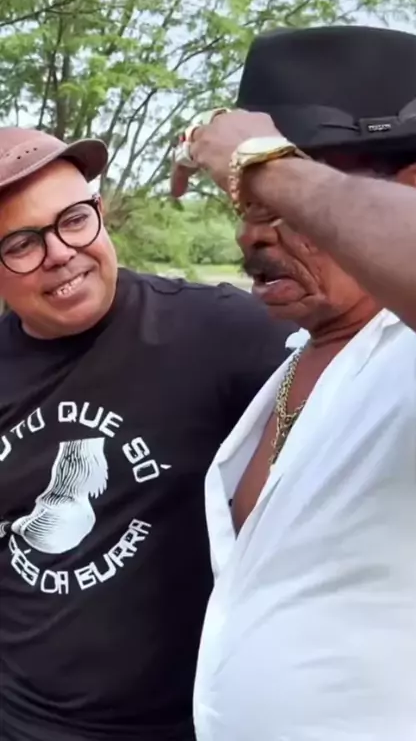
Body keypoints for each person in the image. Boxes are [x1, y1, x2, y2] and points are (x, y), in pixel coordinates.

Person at [172, 26, 416, 741]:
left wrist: (257, 160)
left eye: (283, 199)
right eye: (244, 206)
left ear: (414, 192)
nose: (251, 234)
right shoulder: (296, 365)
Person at [0, 126, 293, 741]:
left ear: (100, 213)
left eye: (73, 220)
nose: (60, 252)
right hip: (23, 722)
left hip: (189, 723)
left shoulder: (220, 332)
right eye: (21, 244)